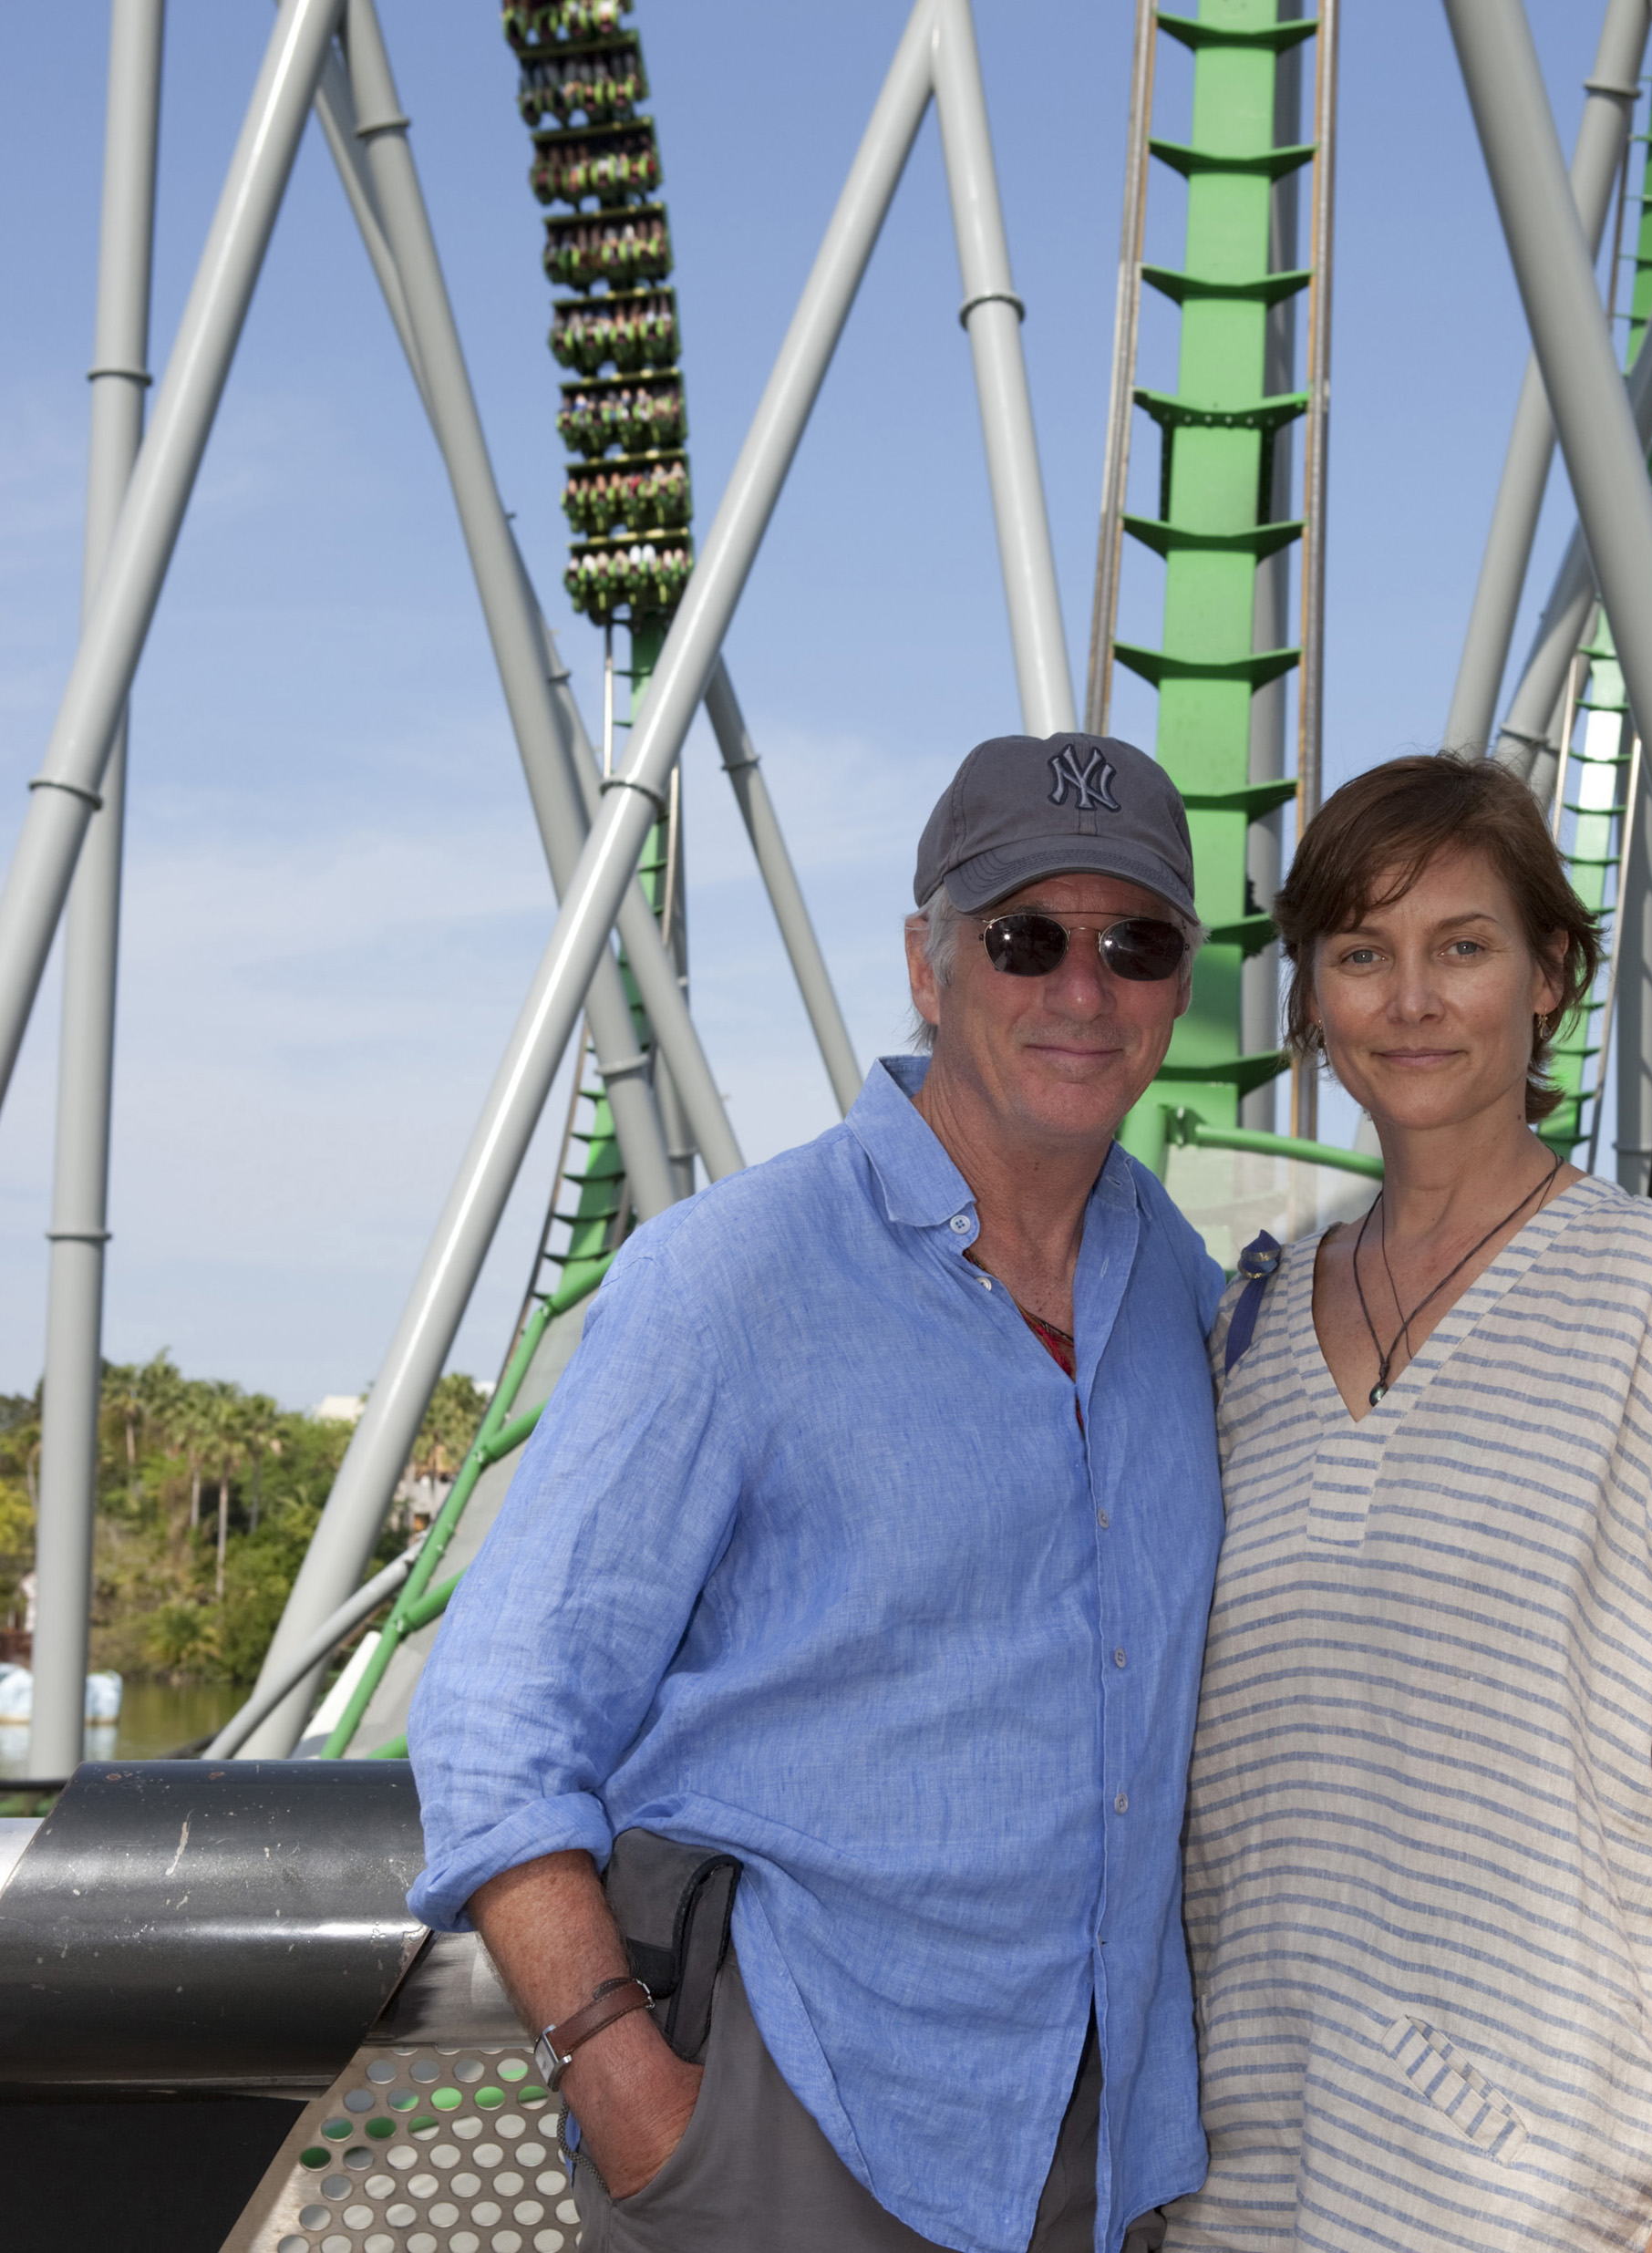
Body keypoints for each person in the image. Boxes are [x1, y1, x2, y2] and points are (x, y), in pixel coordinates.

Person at [406, 731, 1228, 2253]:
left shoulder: (1177, 1290)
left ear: (1180, 983)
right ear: (929, 964)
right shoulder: (733, 1279)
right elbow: (496, 1713)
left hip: (1103, 2149)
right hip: (802, 2124)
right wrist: (625, 2090)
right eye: (1023, 938)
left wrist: (1647, 1729)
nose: (1080, 988)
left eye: (1135, 942)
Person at [1164, 752, 1652, 2253]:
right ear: (1312, 997)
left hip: (1530, 2175)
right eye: (1359, 954)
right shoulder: (1238, 1333)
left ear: (1549, 978)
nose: (1409, 1001)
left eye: (1461, 947)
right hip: (1238, 2161)